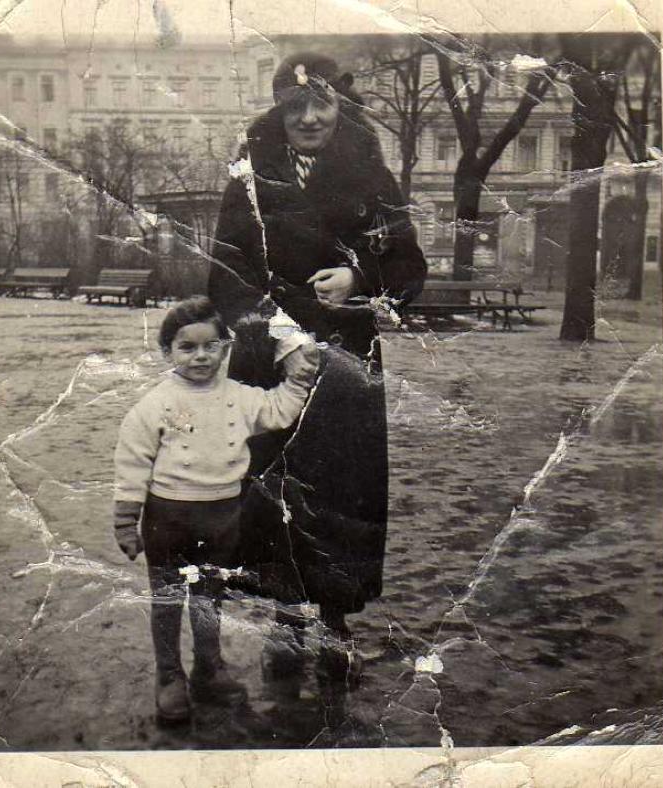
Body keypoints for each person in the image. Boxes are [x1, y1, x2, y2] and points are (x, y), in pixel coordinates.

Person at [208, 53, 427, 682]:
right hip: (269, 361)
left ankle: (335, 625)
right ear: (278, 107)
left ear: (340, 105)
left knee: (342, 494)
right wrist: (281, 337)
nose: (308, 117)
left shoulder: (372, 176)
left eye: (321, 104)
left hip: (347, 360)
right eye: (295, 105)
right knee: (275, 491)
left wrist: (360, 276)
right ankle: (285, 619)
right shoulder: (250, 175)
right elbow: (224, 270)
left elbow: (409, 265)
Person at [112, 295, 318, 722]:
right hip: (167, 520)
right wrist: (126, 521)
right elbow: (132, 463)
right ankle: (169, 678)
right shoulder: (153, 405)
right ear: (167, 352)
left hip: (222, 518)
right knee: (167, 601)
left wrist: (299, 380)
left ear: (226, 348)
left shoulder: (238, 398)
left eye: (211, 346)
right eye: (187, 347)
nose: (200, 356)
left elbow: (278, 410)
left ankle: (208, 671)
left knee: (209, 599)